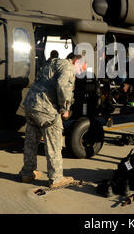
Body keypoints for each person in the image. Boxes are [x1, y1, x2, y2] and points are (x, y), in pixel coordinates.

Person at [19, 53, 86, 187]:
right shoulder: (68, 68)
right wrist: (65, 108)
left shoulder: (54, 63)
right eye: (83, 66)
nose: (83, 70)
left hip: (31, 104)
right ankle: (56, 178)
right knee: (54, 142)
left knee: (31, 141)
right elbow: (63, 86)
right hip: (45, 108)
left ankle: (27, 173)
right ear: (77, 61)